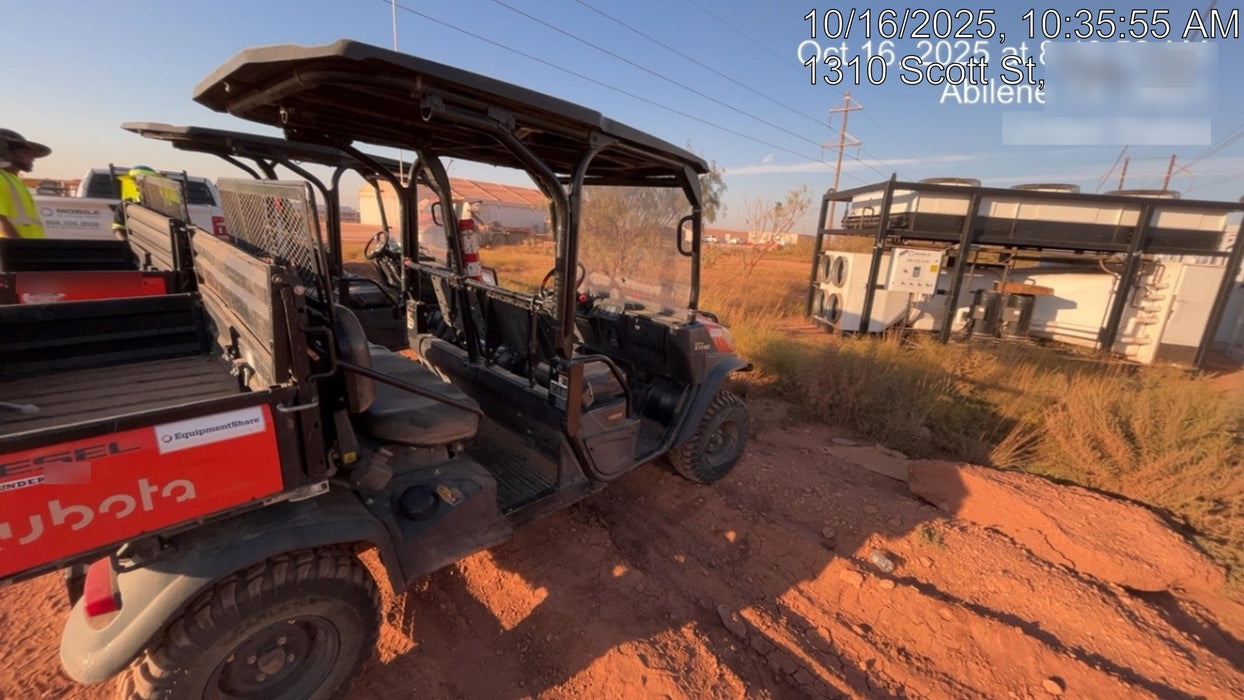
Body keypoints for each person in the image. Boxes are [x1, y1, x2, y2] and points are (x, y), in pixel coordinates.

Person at [0, 129, 51, 239]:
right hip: (10, 253)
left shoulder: (13, 180)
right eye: (26, 153)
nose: (32, 158)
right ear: (5, 152)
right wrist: (18, 249)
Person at [111, 165, 158, 239]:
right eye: (136, 181)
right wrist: (125, 241)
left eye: (145, 181)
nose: (138, 184)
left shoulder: (166, 205)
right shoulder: (125, 204)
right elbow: (118, 227)